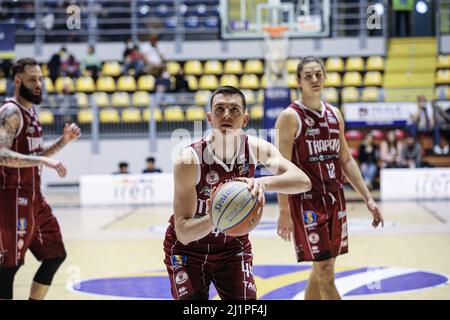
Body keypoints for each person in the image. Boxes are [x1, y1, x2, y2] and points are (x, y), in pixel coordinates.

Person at [163, 86, 312, 300]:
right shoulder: (189, 159)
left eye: (234, 110)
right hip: (187, 252)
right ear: (210, 118)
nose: (226, 115)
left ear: (245, 120)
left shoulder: (255, 148)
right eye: (219, 109)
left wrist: (262, 184)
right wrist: (218, 215)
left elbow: (303, 182)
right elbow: (184, 233)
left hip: (232, 248)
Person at [275, 57, 383, 300]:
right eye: (308, 76)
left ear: (324, 77)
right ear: (299, 82)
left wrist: (368, 198)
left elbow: (345, 160)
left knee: (323, 267)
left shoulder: (335, 114)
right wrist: (284, 211)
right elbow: (282, 167)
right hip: (307, 202)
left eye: (318, 74)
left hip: (335, 198)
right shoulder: (290, 117)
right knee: (325, 270)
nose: (314, 79)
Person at [0, 58, 81, 300]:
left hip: (34, 197)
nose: (38, 84)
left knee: (55, 254)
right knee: (8, 266)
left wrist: (62, 142)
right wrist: (42, 162)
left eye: (40, 79)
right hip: (12, 196)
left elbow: (34, 153)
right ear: (17, 81)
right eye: (32, 79)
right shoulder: (10, 111)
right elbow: (1, 153)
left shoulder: (31, 112)